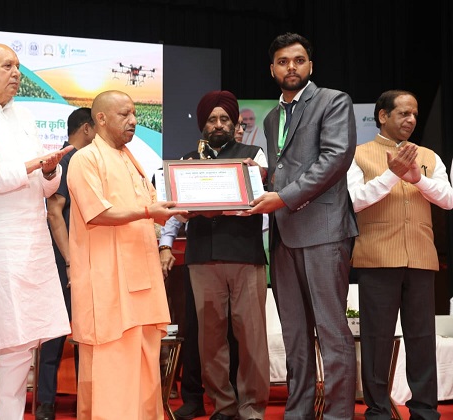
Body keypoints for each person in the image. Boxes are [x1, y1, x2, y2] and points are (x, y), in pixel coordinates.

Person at [247, 32, 359, 420]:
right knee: (294, 335)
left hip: (324, 230)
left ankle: (338, 415)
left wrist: (282, 197)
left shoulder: (333, 101)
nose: (290, 67)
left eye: (298, 60)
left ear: (310, 65)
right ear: (272, 70)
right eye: (282, 61)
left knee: (331, 331)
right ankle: (298, 413)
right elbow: (286, 170)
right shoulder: (272, 117)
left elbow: (335, 159)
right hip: (283, 234)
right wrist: (260, 182)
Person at [0, 43, 72, 420]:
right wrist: (33, 165)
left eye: (18, 66)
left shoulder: (23, 114)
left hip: (31, 244)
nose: (16, 73)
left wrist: (49, 170)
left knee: (21, 344)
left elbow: (45, 188)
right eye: (7, 65)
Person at [67, 90, 186, 419]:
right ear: (101, 119)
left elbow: (153, 208)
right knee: (113, 371)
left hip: (142, 282)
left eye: (134, 113)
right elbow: (98, 213)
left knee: (146, 370)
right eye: (125, 114)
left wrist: (181, 209)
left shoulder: (131, 160)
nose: (134, 120)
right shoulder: (85, 159)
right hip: (108, 287)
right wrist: (149, 211)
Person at [161, 90, 269, 420]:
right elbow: (175, 211)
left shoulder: (253, 157)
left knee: (251, 337)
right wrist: (180, 215)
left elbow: (261, 202)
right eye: (211, 119)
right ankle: (224, 405)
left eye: (224, 119)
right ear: (203, 125)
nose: (218, 125)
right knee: (210, 339)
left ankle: (252, 409)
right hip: (202, 259)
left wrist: (251, 181)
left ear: (235, 123)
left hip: (245, 256)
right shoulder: (186, 163)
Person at [348, 90, 453, 419]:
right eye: (403, 113)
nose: (411, 120)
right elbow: (354, 201)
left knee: (422, 339)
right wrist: (392, 174)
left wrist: (417, 179)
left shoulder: (429, 156)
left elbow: (448, 199)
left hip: (421, 256)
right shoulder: (358, 155)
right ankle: (378, 411)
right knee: (377, 339)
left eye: (414, 114)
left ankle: (425, 410)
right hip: (377, 257)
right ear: (383, 116)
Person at [35, 106, 95, 420]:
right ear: (87, 128)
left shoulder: (87, 160)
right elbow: (54, 212)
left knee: (86, 335)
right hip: (63, 262)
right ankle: (45, 402)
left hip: (85, 260)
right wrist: (71, 261)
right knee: (55, 334)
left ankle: (86, 398)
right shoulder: (65, 161)